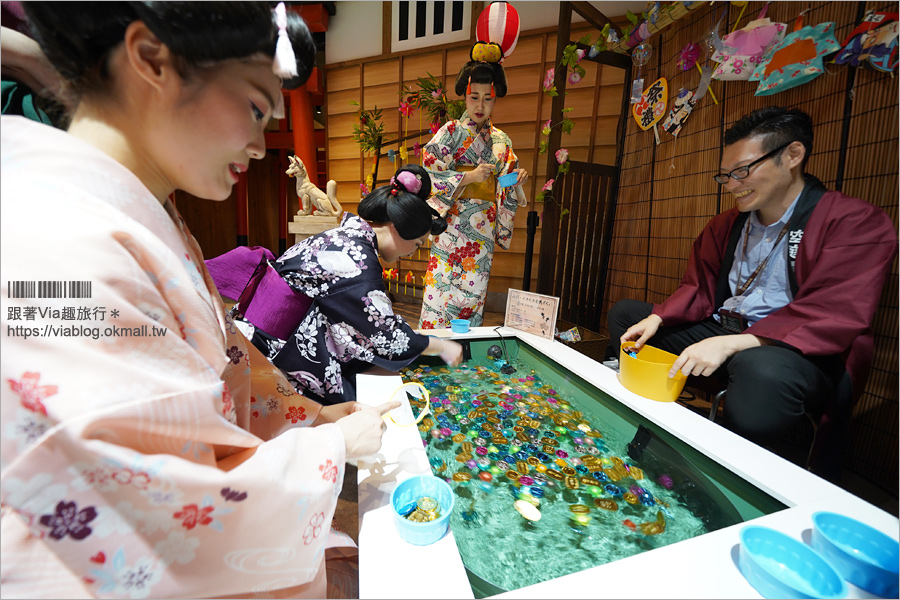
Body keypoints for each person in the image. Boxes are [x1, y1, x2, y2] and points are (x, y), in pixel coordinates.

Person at [0, 3, 397, 598]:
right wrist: (330, 447)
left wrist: (313, 417)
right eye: (256, 106)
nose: (263, 146)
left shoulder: (139, 211)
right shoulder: (58, 242)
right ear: (152, 59)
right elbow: (148, 498)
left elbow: (219, 367)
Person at [606, 106, 897, 470]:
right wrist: (661, 317)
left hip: (793, 354)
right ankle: (639, 425)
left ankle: (725, 471)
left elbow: (834, 312)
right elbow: (699, 287)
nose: (732, 185)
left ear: (792, 155)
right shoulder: (727, 225)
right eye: (726, 175)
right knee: (630, 318)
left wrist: (731, 343)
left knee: (761, 372)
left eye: (742, 171)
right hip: (725, 335)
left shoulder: (852, 221)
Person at [208, 163, 465, 406]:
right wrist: (440, 345)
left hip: (266, 328)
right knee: (352, 401)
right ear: (398, 228)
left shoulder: (348, 237)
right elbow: (387, 335)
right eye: (417, 243)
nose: (412, 252)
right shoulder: (358, 260)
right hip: (269, 346)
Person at [418, 43, 528, 329]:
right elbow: (428, 171)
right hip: (451, 226)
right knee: (440, 297)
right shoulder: (451, 132)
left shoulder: (501, 141)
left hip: (482, 231)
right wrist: (467, 177)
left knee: (473, 296)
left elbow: (500, 185)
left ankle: (465, 356)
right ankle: (431, 351)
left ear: (496, 100)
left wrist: (514, 180)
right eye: (474, 97)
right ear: (464, 97)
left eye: (488, 99)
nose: (480, 106)